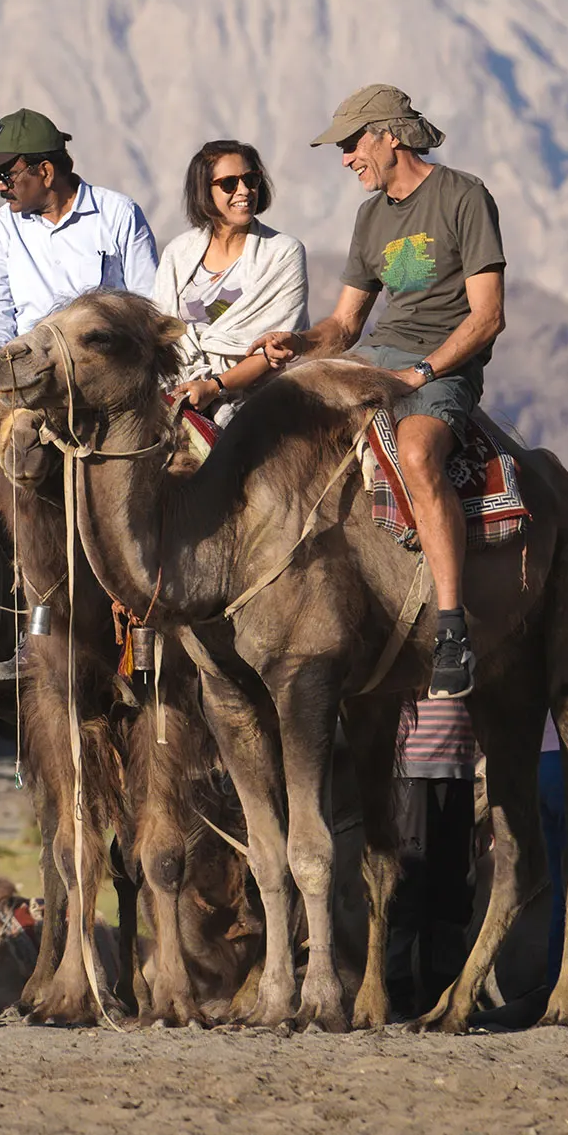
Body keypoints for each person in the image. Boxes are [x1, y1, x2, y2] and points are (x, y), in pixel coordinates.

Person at [253, 85, 509, 699]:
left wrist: (420, 374)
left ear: (389, 135)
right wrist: (299, 343)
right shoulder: (371, 217)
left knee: (418, 454)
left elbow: (487, 317)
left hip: (442, 365)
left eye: (350, 144)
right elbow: (344, 326)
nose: (345, 159)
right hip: (374, 357)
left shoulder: (463, 196)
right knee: (279, 429)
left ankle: (451, 630)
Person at [0, 108, 159, 347]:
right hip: (31, 370)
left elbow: (147, 303)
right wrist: (4, 365)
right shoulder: (3, 226)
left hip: (104, 366)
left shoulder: (119, 214)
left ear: (45, 172)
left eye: (6, 175)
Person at [147, 138, 306, 422]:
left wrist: (215, 387)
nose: (244, 191)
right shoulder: (178, 253)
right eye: (229, 184)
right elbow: (162, 332)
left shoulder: (283, 253)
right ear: (204, 191)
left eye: (251, 179)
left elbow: (276, 349)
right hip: (178, 393)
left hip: (255, 401)